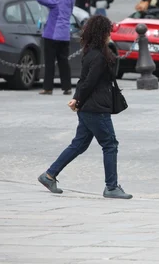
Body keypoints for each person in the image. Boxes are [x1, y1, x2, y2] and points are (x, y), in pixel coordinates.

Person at [37, 15, 132, 200]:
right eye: (108, 31)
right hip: (96, 108)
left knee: (79, 144)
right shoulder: (99, 56)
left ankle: (49, 175)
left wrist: (76, 99)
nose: (110, 34)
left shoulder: (91, 52)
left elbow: (83, 80)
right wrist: (78, 99)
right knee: (110, 144)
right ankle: (111, 186)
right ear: (102, 33)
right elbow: (89, 82)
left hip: (88, 108)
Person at [36, 0, 75, 95]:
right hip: (64, 35)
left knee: (49, 62)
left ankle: (48, 87)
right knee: (63, 62)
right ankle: (67, 87)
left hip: (52, 34)